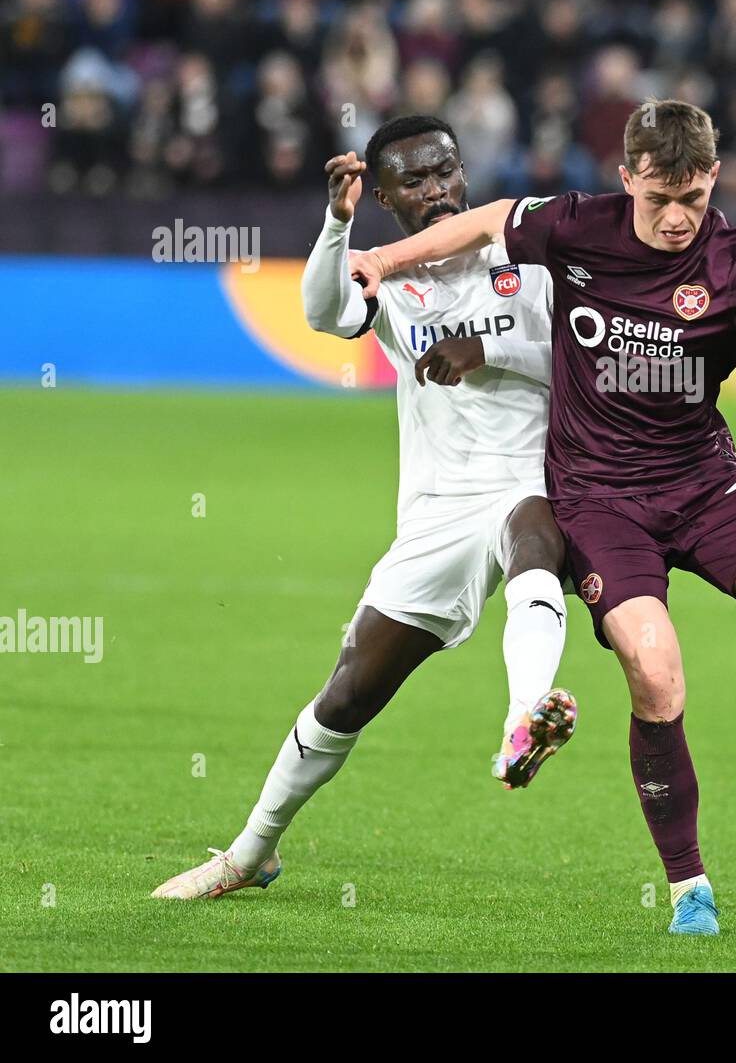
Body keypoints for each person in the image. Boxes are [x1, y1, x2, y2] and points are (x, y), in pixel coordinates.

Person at [347, 100, 736, 934]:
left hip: (701, 479)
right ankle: (689, 889)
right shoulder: (575, 226)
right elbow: (488, 220)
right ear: (627, 178)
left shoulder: (732, 259)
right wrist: (380, 258)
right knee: (656, 668)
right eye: (658, 199)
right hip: (599, 501)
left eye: (694, 198)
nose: (677, 220)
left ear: (714, 179)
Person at [152, 115, 576, 901]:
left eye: (446, 171)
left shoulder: (526, 248)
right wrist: (335, 224)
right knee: (347, 694)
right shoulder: (388, 275)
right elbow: (322, 311)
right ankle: (251, 853)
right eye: (414, 181)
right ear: (384, 196)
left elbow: (580, 357)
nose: (438, 190)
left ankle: (526, 717)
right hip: (437, 506)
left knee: (533, 540)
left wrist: (490, 351)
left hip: (534, 476)